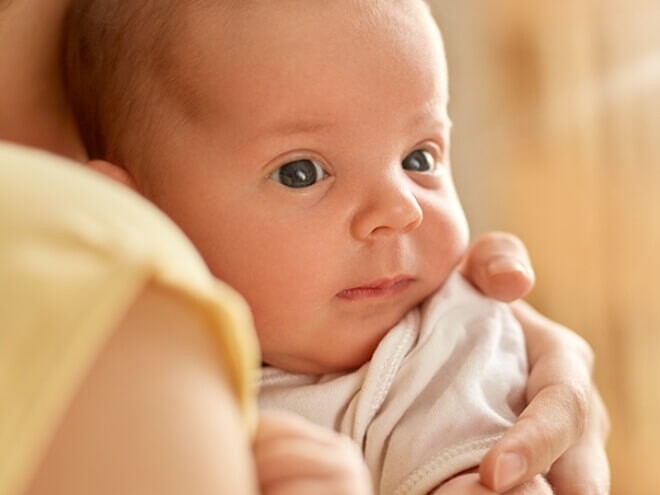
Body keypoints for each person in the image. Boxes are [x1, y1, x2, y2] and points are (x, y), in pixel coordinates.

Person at [0, 1, 609, 494]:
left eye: (419, 158)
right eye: (301, 173)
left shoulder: (443, 352)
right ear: (134, 213)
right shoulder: (115, 403)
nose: (402, 209)